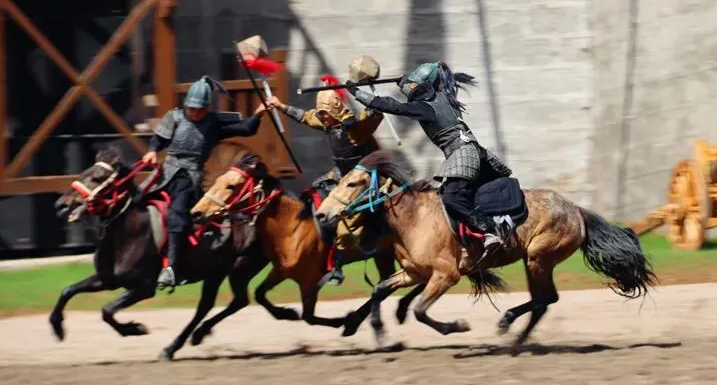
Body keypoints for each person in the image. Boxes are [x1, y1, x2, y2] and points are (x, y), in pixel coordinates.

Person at [344, 60, 511, 267]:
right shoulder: (443, 96)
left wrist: (357, 93)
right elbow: (414, 92)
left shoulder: (425, 107)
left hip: (462, 152)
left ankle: (490, 231)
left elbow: (392, 106)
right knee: (454, 197)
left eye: (411, 84)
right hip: (471, 151)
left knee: (452, 197)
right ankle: (468, 243)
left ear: (421, 86)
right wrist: (403, 82)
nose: (407, 87)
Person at [141, 75, 284, 290]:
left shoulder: (214, 123)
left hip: (189, 179)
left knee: (177, 216)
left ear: (206, 108)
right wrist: (152, 151)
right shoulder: (174, 117)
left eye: (199, 109)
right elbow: (158, 139)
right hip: (164, 173)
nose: (194, 112)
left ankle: (171, 268)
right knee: (134, 200)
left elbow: (247, 128)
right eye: (191, 108)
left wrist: (259, 113)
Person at [280, 72, 384, 285]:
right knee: (314, 198)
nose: (322, 117)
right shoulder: (326, 123)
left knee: (347, 224)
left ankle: (341, 260)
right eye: (321, 113)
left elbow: (373, 116)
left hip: (362, 179)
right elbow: (304, 116)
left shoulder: (356, 129)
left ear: (335, 110)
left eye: (325, 113)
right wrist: (280, 106)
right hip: (340, 175)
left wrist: (369, 97)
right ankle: (319, 251)